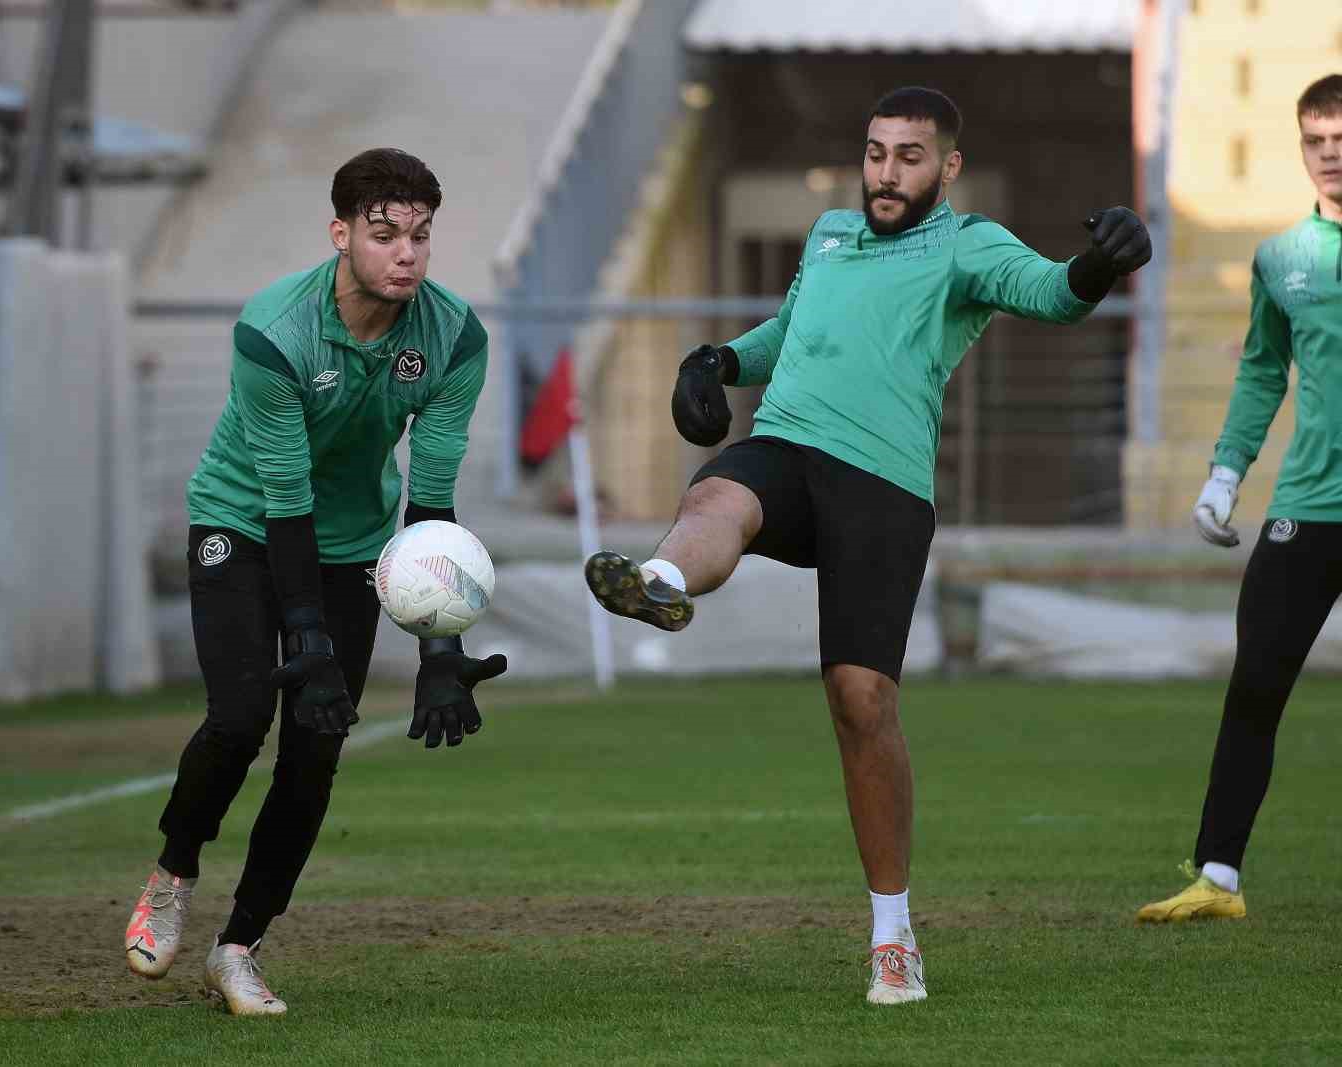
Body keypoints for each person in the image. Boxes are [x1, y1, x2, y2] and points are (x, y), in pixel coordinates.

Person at [584, 87, 1151, 1005]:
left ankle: (894, 936)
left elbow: (1051, 296)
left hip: (881, 485)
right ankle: (656, 578)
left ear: (948, 167)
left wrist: (1100, 263)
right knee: (721, 491)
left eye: (910, 157)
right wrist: (721, 361)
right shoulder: (831, 233)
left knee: (861, 702)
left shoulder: (968, 245)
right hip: (788, 444)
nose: (887, 172)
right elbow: (793, 333)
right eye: (877, 152)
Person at [123, 148, 507, 1015]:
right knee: (239, 714)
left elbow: (433, 503)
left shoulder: (454, 336)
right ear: (340, 235)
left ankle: (239, 948)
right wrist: (306, 634)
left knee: (318, 743)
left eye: (420, 235)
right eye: (383, 235)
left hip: (353, 546)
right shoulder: (274, 330)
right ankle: (174, 868)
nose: (406, 253)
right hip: (243, 521)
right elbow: (284, 495)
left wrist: (441, 649)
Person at [1138, 74, 1342, 924]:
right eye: (1315, 140)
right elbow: (1263, 369)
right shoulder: (1282, 257)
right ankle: (1218, 876)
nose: (1330, 155)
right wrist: (1226, 473)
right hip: (1311, 504)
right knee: (1255, 684)